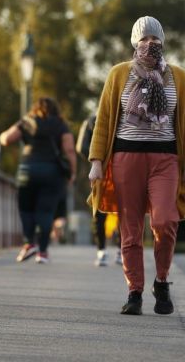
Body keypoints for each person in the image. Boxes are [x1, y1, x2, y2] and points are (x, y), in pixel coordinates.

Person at [88, 16, 185, 315]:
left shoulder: (178, 76)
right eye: (144, 39)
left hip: (166, 160)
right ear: (135, 43)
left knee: (165, 221)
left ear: (163, 42)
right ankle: (134, 291)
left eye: (155, 39)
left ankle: (161, 280)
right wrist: (97, 161)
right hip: (126, 158)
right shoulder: (118, 74)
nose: (150, 43)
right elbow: (104, 120)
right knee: (130, 230)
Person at [0, 97, 76, 264]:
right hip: (52, 172)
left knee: (26, 209)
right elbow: (69, 149)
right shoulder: (61, 124)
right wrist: (72, 173)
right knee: (46, 212)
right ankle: (42, 252)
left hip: (28, 169)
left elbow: (6, 139)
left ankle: (29, 243)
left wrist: (11, 130)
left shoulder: (27, 121)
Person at [76, 114, 122, 267]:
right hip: (124, 167)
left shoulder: (91, 120)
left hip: (100, 169)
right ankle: (121, 250)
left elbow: (81, 147)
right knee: (125, 210)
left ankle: (101, 251)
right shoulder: (127, 116)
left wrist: (95, 158)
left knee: (99, 211)